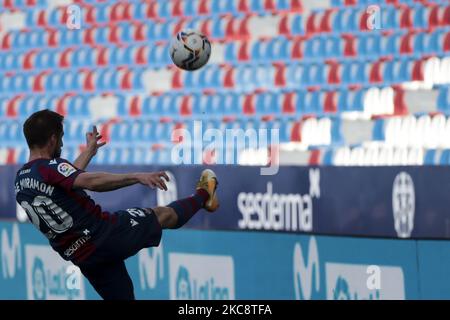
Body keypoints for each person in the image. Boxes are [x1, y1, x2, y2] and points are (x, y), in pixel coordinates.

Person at [14, 109, 219, 300]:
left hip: (84, 257)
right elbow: (89, 181)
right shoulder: (50, 168)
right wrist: (136, 176)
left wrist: (89, 152)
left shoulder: (21, 180)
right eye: (61, 138)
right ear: (52, 139)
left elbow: (64, 179)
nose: (61, 144)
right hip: (104, 235)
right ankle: (205, 194)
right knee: (163, 215)